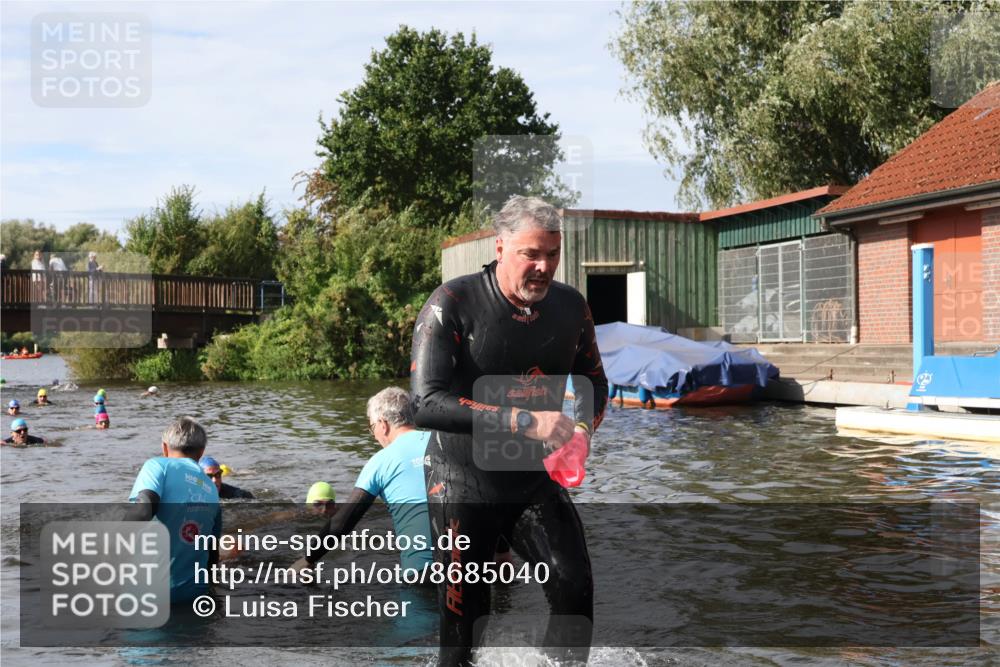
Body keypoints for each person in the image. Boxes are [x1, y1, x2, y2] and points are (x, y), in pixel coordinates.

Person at [410, 195, 608, 666]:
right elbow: (425, 404)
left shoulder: (571, 308)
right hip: (460, 480)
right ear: (500, 248)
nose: (543, 267)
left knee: (573, 585)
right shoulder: (452, 304)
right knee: (466, 620)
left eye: (553, 255)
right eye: (530, 254)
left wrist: (581, 429)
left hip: (532, 478)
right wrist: (524, 420)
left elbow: (594, 381)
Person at [293, 387, 435, 575]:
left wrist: (308, 559)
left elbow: (342, 523)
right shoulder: (440, 442)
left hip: (420, 571)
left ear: (383, 424)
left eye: (372, 428)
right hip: (464, 565)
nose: (374, 436)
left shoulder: (380, 461)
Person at [127, 417, 221, 602]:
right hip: (194, 595)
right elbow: (212, 553)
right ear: (201, 452)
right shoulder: (211, 489)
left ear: (164, 447)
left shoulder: (157, 466)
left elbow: (143, 510)